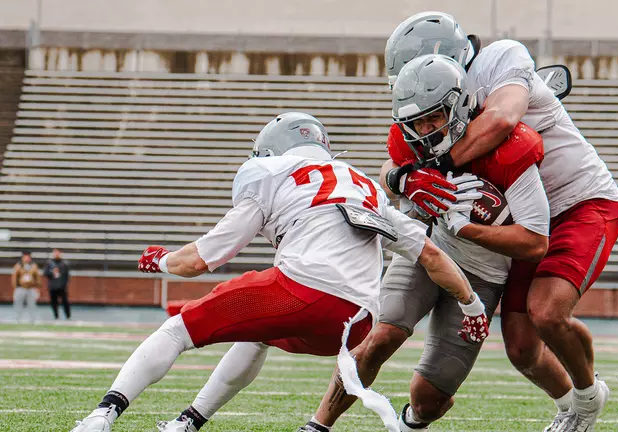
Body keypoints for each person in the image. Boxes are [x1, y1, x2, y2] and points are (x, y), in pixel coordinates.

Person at [156, 56, 550, 432]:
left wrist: (467, 231)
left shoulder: (512, 148)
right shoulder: (407, 142)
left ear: (460, 105)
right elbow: (389, 185)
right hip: (427, 251)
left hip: (483, 271)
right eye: (418, 121)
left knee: (428, 398)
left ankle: (415, 419)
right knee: (381, 335)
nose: (427, 130)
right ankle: (319, 424)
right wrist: (401, 179)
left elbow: (534, 242)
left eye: (436, 116)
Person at [69, 112, 490, 432]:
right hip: (358, 321)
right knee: (259, 334)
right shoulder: (365, 186)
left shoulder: (272, 174)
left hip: (301, 291)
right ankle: (188, 422)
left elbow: (197, 262)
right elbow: (432, 256)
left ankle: (102, 414)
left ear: (270, 150)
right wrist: (472, 308)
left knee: (177, 330)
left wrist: (159, 259)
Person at [381, 12, 618, 432]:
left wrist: (432, 168)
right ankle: (573, 398)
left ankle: (586, 401)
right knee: (521, 346)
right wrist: (399, 175)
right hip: (522, 215)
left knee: (547, 312)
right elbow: (396, 164)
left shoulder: (500, 59)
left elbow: (502, 119)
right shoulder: (438, 107)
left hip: (578, 203)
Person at [11, 251, 42, 323]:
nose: (27, 258)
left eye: (28, 257)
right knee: (18, 304)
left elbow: (37, 277)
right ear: (22, 258)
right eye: (25, 257)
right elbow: (14, 277)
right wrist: (15, 287)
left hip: (31, 288)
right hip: (20, 287)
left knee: (32, 305)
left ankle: (33, 320)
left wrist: (37, 287)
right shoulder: (18, 265)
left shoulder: (34, 266)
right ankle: (17, 320)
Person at [44, 248, 71, 320]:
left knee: (65, 302)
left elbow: (67, 275)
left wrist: (64, 285)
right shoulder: (49, 263)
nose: (56, 254)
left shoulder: (64, 263)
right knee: (54, 303)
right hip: (53, 286)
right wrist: (52, 272)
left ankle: (68, 316)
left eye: (58, 252)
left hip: (62, 286)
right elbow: (45, 273)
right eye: (55, 252)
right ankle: (56, 317)